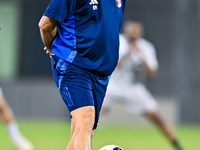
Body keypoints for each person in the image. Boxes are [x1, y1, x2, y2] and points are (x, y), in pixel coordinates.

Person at [38, 0, 126, 150]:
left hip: (100, 73)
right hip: (74, 64)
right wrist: (52, 47)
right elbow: (45, 24)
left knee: (83, 130)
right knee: (85, 119)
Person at [102, 21, 185, 150]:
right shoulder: (117, 41)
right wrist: (128, 53)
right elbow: (110, 66)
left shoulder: (146, 47)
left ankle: (177, 145)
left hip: (133, 88)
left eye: (137, 32)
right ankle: (80, 142)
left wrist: (141, 57)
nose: (134, 35)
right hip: (113, 85)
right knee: (93, 113)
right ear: (126, 32)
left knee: (156, 116)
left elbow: (152, 72)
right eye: (132, 32)